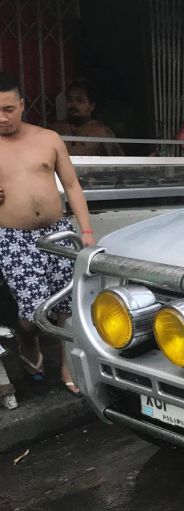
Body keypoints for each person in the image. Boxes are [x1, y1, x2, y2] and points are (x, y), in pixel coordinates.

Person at [0, 72, 96, 396]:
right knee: (32, 315)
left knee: (68, 308)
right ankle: (27, 342)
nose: (3, 117)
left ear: (23, 105)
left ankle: (67, 363)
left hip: (58, 233)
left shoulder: (48, 138)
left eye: (9, 108)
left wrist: (85, 232)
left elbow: (72, 186)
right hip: (14, 238)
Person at [49, 81, 122, 156]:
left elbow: (119, 162)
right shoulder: (56, 128)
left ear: (91, 106)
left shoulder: (102, 131)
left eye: (80, 101)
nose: (73, 104)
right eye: (69, 100)